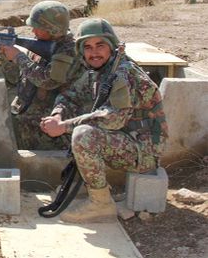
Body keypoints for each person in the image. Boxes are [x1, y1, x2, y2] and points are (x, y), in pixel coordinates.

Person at [40, 18, 169, 223]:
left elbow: (113, 119)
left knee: (82, 134)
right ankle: (91, 182)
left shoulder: (123, 73)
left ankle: (101, 204)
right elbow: (70, 95)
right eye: (88, 47)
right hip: (124, 138)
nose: (94, 52)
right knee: (78, 123)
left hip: (143, 149)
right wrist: (57, 114)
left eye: (100, 45)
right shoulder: (97, 72)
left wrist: (64, 126)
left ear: (112, 47)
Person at [0, 1, 84, 150]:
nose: (33, 31)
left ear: (52, 29)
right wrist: (4, 55)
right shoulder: (39, 45)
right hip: (27, 121)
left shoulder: (69, 50)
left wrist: (19, 56)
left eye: (37, 27)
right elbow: (16, 79)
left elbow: (48, 81)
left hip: (48, 130)